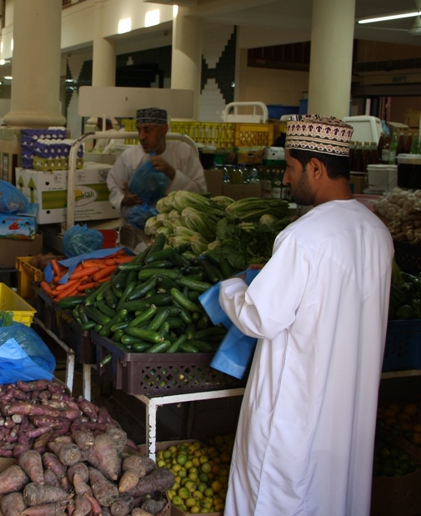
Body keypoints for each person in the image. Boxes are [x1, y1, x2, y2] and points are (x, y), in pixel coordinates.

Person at [218, 115, 393, 515]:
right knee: (334, 497)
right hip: (347, 413)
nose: (285, 180)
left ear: (315, 168)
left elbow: (259, 318)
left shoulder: (303, 236)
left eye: (290, 169)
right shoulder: (375, 231)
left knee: (278, 496)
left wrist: (232, 288)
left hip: (295, 411)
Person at [106, 107, 206, 221]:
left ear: (164, 129)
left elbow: (200, 193)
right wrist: (124, 199)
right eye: (139, 130)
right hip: (136, 226)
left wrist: (171, 173)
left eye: (148, 130)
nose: (141, 137)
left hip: (174, 226)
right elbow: (114, 187)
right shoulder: (130, 156)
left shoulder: (184, 153)